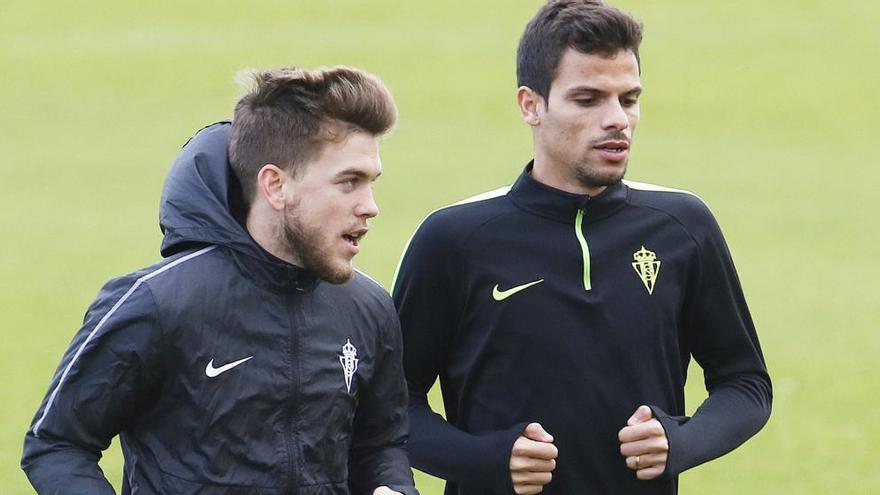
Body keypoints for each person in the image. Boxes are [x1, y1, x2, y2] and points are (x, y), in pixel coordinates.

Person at [392, 1, 772, 494]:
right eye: (588, 99)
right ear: (531, 105)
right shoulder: (454, 239)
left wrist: (680, 442)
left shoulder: (683, 227)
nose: (617, 120)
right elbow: (390, 404)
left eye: (628, 99)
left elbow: (746, 384)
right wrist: (483, 458)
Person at [22, 66, 418, 495]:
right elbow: (57, 443)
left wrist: (390, 486)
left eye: (372, 182)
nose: (370, 207)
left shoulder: (368, 307)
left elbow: (380, 444)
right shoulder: (159, 303)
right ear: (276, 185)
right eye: (349, 182)